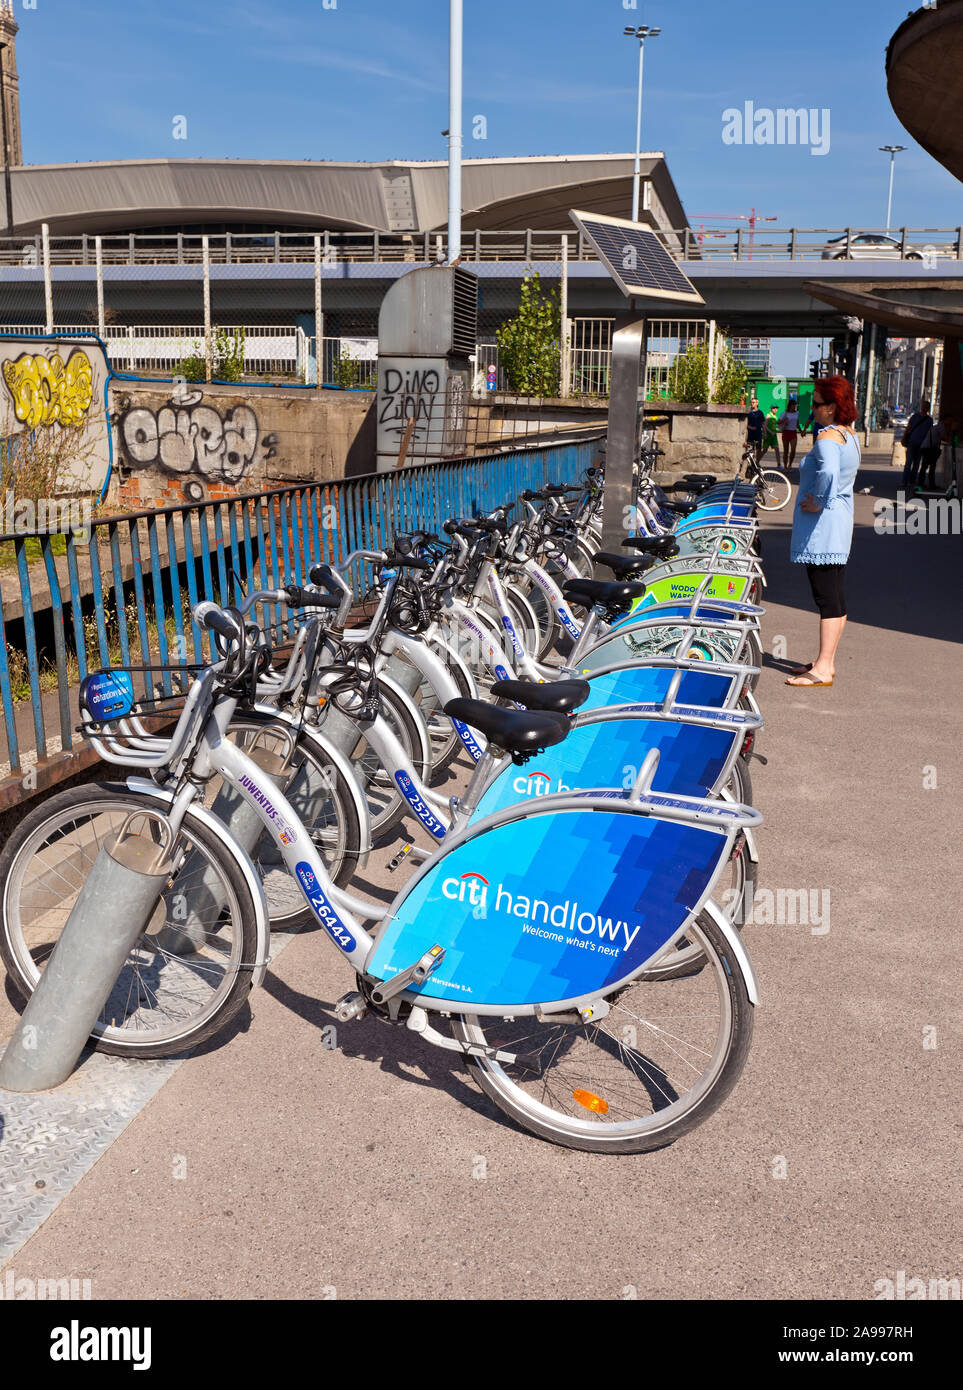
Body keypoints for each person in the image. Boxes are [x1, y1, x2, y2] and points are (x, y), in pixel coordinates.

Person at [785, 375, 861, 688]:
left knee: (825, 594)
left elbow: (828, 471)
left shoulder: (828, 436)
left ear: (831, 407)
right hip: (839, 523)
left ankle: (824, 666)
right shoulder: (850, 434)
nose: (812, 410)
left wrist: (817, 500)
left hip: (824, 527)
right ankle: (824, 661)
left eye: (816, 404)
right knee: (835, 594)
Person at [901, 399, 933, 493]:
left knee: (916, 465)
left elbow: (929, 433)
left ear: (928, 408)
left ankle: (912, 481)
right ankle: (904, 481)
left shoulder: (929, 420)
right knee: (908, 463)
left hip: (922, 445)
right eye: (923, 406)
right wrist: (904, 438)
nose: (924, 408)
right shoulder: (914, 417)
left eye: (926, 407)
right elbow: (908, 428)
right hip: (911, 443)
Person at [916, 412, 949, 492]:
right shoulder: (941, 426)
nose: (950, 422)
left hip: (927, 447)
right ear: (947, 419)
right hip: (929, 449)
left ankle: (923, 484)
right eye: (950, 420)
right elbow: (946, 438)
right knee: (929, 467)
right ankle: (928, 484)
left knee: (926, 466)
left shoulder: (938, 426)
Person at [779, 397, 801, 466]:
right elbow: (778, 422)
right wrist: (784, 421)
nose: (794, 407)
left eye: (795, 405)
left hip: (793, 432)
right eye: (793, 405)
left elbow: (797, 423)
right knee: (786, 451)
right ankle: (785, 465)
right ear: (790, 405)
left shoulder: (797, 413)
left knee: (793, 450)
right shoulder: (784, 413)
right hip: (786, 432)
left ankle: (790, 464)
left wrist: (801, 431)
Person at [746, 395, 765, 461]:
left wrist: (765, 433)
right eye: (751, 402)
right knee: (749, 448)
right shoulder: (748, 412)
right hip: (750, 433)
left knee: (758, 448)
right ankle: (750, 462)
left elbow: (763, 423)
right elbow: (745, 423)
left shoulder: (760, 412)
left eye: (753, 402)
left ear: (757, 403)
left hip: (758, 433)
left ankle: (757, 462)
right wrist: (750, 427)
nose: (752, 404)